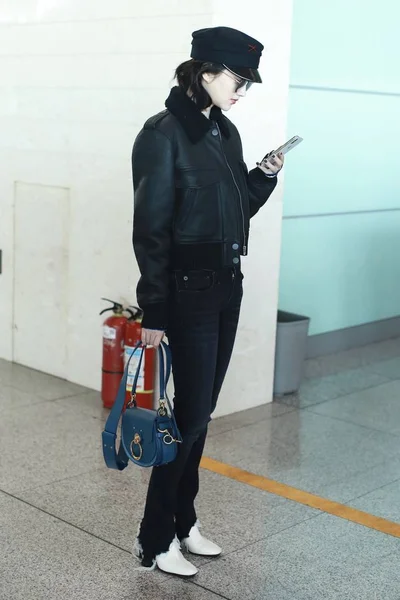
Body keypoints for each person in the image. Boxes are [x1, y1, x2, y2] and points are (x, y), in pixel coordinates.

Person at [131, 26, 283, 577]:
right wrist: (154, 309)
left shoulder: (226, 132)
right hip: (187, 297)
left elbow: (237, 207)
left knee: (201, 416)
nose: (243, 90)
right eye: (238, 79)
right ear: (205, 72)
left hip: (226, 289)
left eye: (247, 82)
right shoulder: (162, 135)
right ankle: (154, 538)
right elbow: (150, 232)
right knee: (190, 418)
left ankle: (182, 521)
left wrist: (262, 178)